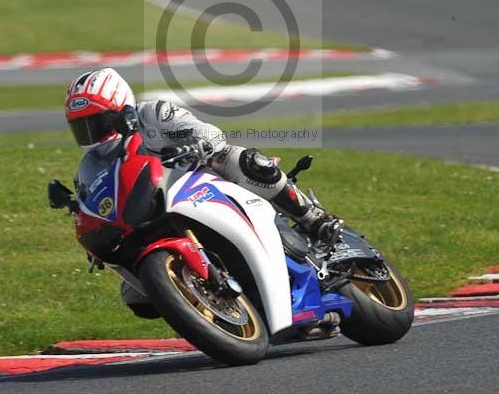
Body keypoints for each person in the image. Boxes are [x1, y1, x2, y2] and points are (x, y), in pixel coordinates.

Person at [64, 67, 343, 315]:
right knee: (136, 297)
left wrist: (201, 145)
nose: (90, 134)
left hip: (199, 184)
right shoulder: (92, 164)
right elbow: (100, 202)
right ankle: (211, 308)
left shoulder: (153, 115)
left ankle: (313, 217)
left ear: (121, 109)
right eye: (82, 128)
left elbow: (205, 132)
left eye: (97, 123)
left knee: (239, 159)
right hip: (154, 213)